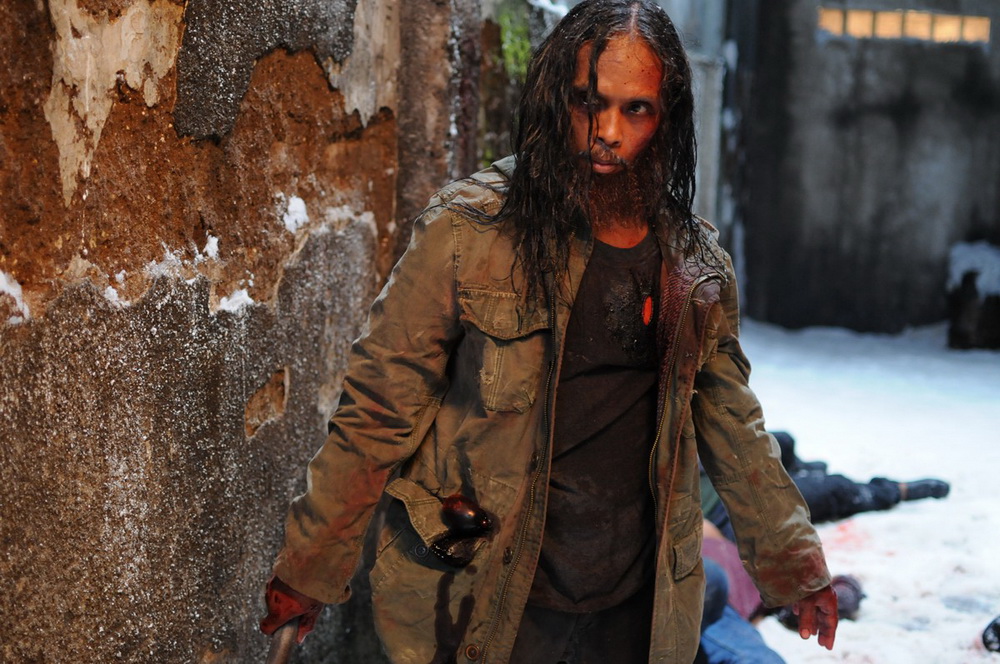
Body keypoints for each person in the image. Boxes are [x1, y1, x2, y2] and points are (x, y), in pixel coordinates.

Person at [259, 2, 838, 662]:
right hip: (485, 597)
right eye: (590, 103)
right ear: (557, 97)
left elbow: (735, 426)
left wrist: (797, 565)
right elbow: (379, 408)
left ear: (667, 116)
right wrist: (309, 568)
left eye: (637, 109)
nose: (608, 132)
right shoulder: (469, 230)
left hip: (635, 609)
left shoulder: (695, 264)